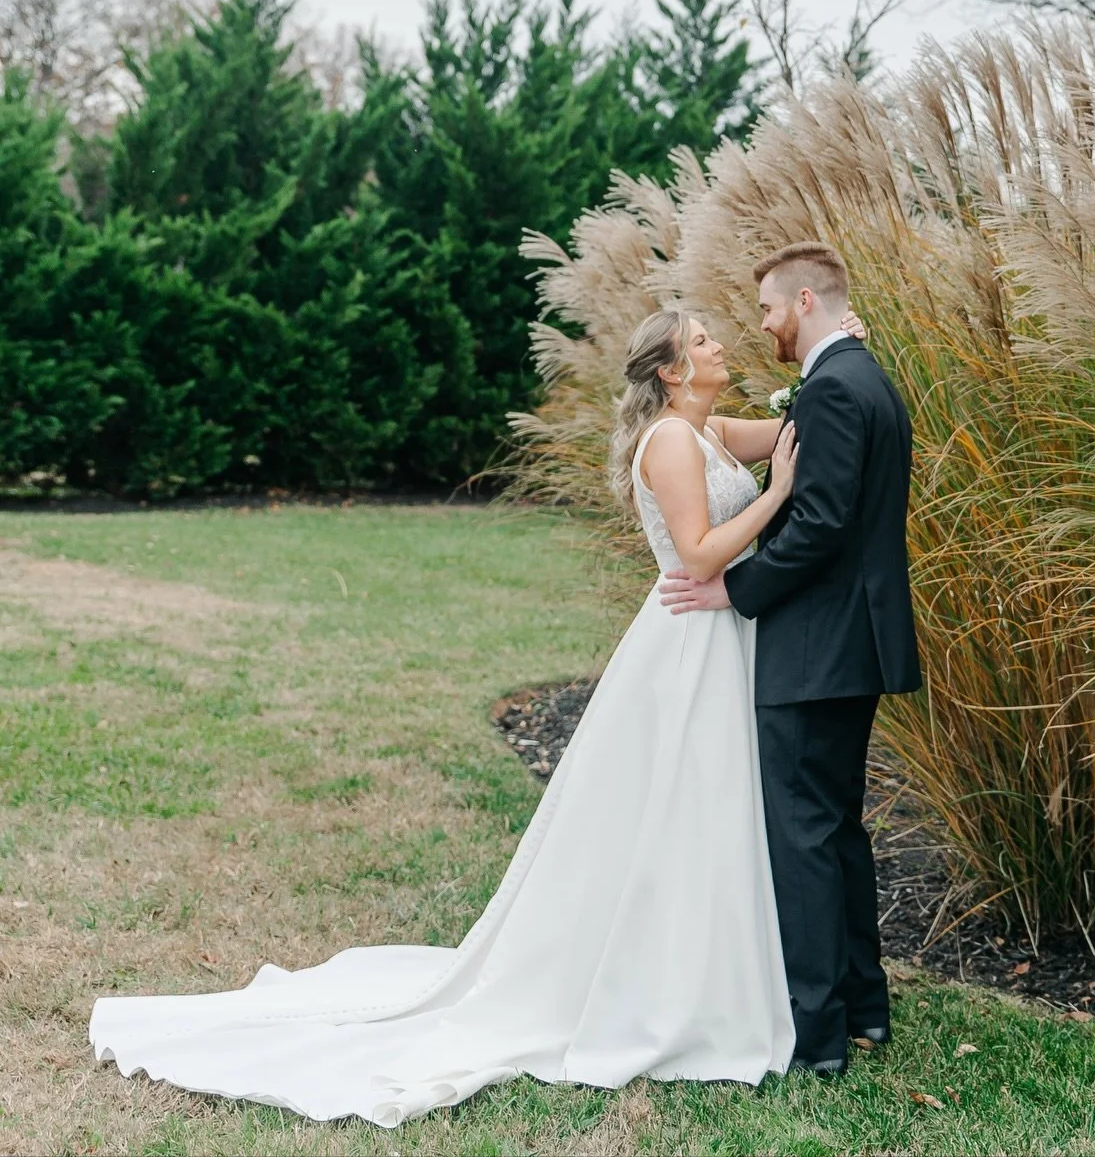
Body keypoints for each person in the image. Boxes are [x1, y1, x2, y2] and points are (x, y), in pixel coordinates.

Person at [88, 299, 863, 1127]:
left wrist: (828, 368)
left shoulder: (707, 429)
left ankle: (716, 973)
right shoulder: (671, 440)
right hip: (688, 643)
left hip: (724, 643)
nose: (719, 345)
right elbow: (703, 551)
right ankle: (670, 989)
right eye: (702, 340)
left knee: (710, 813)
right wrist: (780, 492)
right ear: (672, 370)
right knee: (683, 806)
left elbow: (787, 424)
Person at [661, 241, 920, 1075]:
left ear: (805, 301)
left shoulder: (837, 387)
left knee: (803, 835)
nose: (762, 324)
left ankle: (817, 1037)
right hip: (852, 642)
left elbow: (819, 524)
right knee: (835, 827)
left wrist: (739, 589)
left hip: (816, 644)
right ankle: (863, 1007)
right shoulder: (857, 378)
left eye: (770, 308)